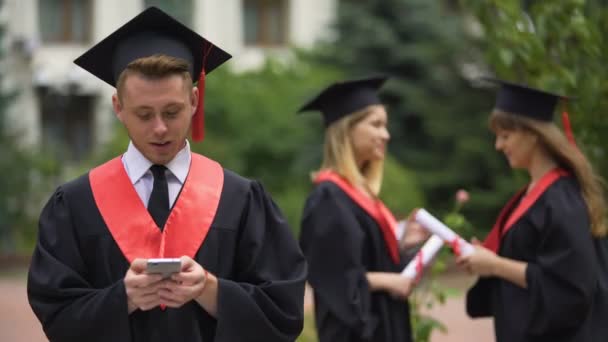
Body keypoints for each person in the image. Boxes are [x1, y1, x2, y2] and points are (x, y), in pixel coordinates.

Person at [27, 7, 306, 342]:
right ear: (118, 107)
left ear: (193, 100)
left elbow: (285, 312)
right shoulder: (75, 204)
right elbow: (57, 316)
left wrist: (212, 291)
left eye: (171, 112)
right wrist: (123, 299)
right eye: (144, 114)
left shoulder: (241, 199)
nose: (159, 128)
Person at [457, 78, 608, 342]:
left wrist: (496, 265)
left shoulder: (562, 200)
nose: (498, 145)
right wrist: (486, 260)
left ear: (533, 134)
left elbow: (569, 288)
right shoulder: (533, 195)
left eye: (506, 136)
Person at [298, 76, 429, 342]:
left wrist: (403, 245)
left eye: (385, 125)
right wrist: (387, 281)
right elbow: (332, 278)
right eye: (376, 125)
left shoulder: (362, 196)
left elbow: (363, 261)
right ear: (347, 130)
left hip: (386, 326)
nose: (386, 134)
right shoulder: (328, 199)